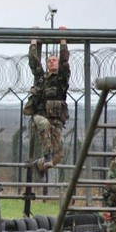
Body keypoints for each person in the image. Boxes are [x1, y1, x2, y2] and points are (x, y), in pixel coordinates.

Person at [26, 26, 70, 177]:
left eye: (54, 60)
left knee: (59, 155)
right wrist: (34, 38)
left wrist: (62, 39)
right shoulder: (41, 77)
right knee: (43, 124)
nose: (52, 62)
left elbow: (64, 61)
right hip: (40, 116)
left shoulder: (61, 79)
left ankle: (38, 165)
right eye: (49, 61)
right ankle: (46, 156)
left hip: (56, 120)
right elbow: (33, 61)